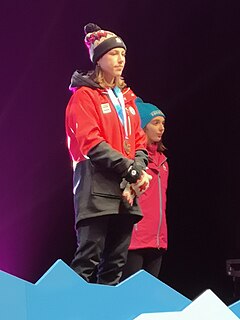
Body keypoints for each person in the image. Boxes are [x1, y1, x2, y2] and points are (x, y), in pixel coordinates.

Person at [65, 23, 152, 285]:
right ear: (99, 59)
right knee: (87, 259)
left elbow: (139, 140)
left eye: (123, 54)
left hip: (124, 188)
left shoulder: (127, 98)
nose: (120, 59)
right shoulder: (84, 96)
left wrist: (136, 170)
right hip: (95, 185)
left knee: (115, 264)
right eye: (114, 54)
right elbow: (91, 143)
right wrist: (133, 170)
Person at [122, 97, 169, 280]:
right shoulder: (132, 159)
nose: (161, 128)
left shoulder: (163, 162)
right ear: (142, 127)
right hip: (134, 241)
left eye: (163, 123)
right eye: (155, 123)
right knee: (129, 299)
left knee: (150, 298)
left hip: (157, 241)